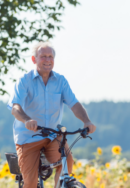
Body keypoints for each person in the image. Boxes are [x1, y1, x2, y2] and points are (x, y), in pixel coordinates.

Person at [7, 42, 96, 188]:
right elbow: (15, 107)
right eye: (43, 56)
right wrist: (27, 119)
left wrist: (86, 121)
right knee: (30, 183)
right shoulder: (25, 80)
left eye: (50, 56)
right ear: (34, 59)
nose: (47, 60)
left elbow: (74, 104)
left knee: (66, 163)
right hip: (28, 137)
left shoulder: (60, 81)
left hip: (52, 135)